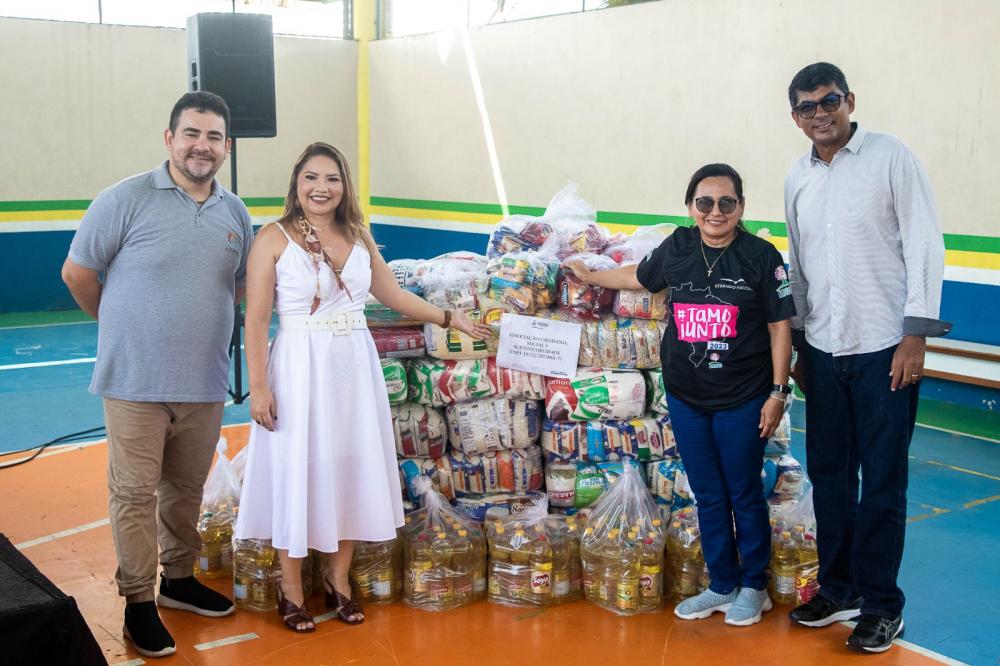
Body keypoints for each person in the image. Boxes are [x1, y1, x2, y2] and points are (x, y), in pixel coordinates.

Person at [233, 142, 489, 633]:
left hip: (352, 365)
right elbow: (257, 319)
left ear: (344, 186)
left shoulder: (359, 236)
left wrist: (447, 316)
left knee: (346, 466)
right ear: (296, 184)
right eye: (311, 177)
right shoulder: (272, 238)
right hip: (300, 365)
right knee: (297, 469)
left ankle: (338, 580)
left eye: (331, 178)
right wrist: (260, 386)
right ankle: (290, 588)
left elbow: (390, 294)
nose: (321, 188)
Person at [61, 91, 251, 659]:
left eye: (214, 137)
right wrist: (120, 326)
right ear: (170, 139)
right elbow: (78, 273)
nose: (202, 146)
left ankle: (179, 581)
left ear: (226, 147)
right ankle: (139, 602)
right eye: (192, 133)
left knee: (185, 490)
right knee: (134, 495)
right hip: (134, 382)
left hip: (202, 382)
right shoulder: (124, 199)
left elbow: (239, 286)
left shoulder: (234, 212)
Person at [567, 163, 794, 626]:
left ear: (741, 207)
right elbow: (640, 277)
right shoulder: (679, 246)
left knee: (744, 493)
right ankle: (722, 584)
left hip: (743, 398)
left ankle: (755, 587)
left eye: (726, 203)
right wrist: (591, 276)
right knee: (708, 494)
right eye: (705, 202)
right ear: (691, 207)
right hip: (688, 398)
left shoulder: (761, 256)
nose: (715, 211)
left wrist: (777, 393)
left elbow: (779, 328)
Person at [783, 63, 950, 653]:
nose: (820, 113)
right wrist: (800, 344)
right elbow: (799, 266)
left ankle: (882, 604)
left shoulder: (890, 157)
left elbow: (925, 241)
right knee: (828, 478)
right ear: (796, 116)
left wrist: (915, 334)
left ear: (850, 100)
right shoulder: (797, 179)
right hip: (825, 351)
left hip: (885, 347)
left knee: (882, 481)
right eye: (806, 107)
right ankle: (839, 587)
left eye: (829, 101)